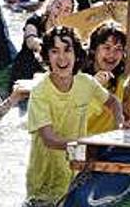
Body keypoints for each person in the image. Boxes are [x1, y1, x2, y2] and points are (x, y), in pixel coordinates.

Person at [26, 26, 125, 205]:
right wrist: (88, 148)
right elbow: (49, 139)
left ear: (77, 54)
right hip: (44, 180)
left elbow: (113, 103)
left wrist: (120, 126)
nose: (62, 57)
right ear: (47, 57)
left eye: (67, 50)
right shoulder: (39, 92)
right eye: (55, 51)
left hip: (75, 176)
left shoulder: (86, 83)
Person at [83, 21, 130, 134]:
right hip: (81, 143)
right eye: (107, 48)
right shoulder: (79, 77)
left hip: (111, 144)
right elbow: (76, 119)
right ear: (94, 50)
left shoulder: (124, 79)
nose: (112, 55)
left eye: (118, 49)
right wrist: (93, 88)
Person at [12, 0, 76, 86]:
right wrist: (46, 48)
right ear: (50, 6)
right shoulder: (35, 20)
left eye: (67, 10)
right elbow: (30, 40)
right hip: (25, 71)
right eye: (58, 7)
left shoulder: (68, 33)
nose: (61, 12)